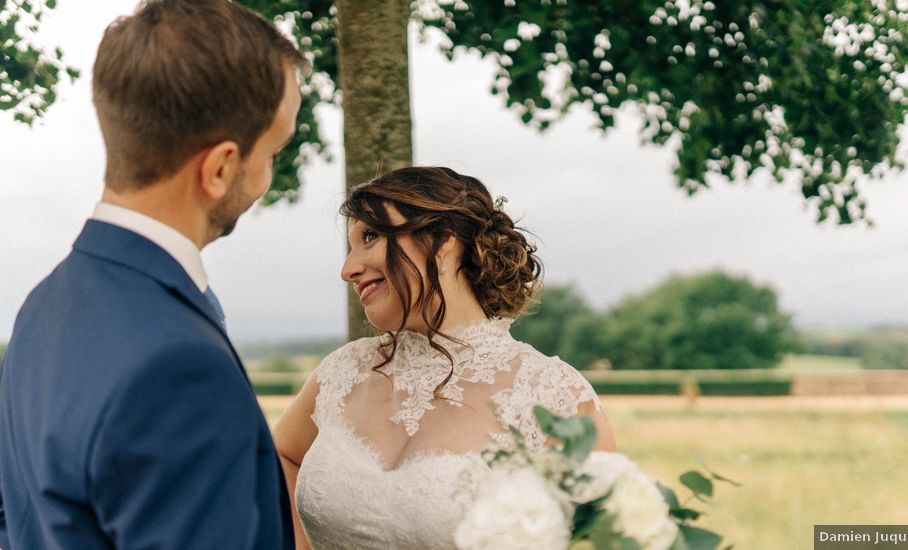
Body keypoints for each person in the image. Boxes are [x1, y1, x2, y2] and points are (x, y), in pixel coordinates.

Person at [0, 1, 306, 547]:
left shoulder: (42, 306)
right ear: (219, 167)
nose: (267, 175)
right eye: (274, 152)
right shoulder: (179, 365)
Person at [274, 166, 618, 550]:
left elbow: (599, 536)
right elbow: (283, 458)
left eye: (370, 236)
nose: (347, 269)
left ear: (444, 241)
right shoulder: (341, 373)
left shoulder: (554, 395)